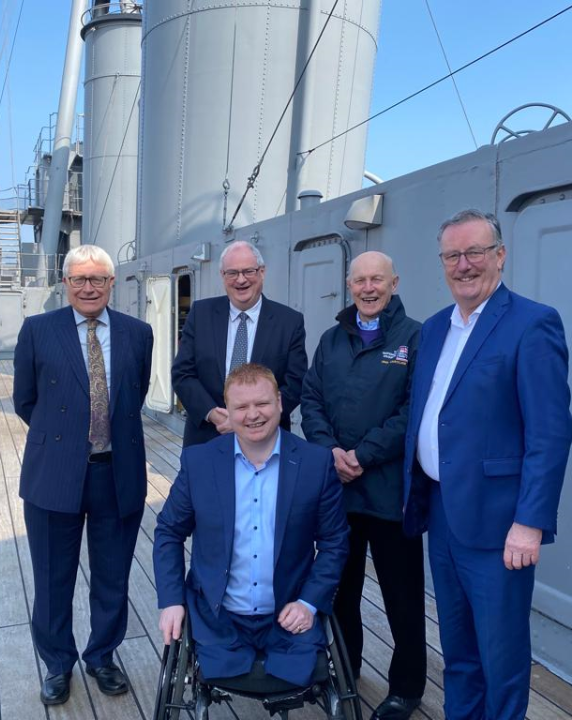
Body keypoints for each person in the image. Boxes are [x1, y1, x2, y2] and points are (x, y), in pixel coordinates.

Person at [403, 210, 572, 720]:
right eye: (452, 255)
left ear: (499, 255)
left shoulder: (531, 323)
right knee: (458, 649)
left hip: (500, 524)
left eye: (475, 251)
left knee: (500, 655)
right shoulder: (434, 329)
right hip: (443, 512)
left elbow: (550, 433)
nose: (464, 264)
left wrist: (530, 523)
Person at [13, 244, 154, 706]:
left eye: (98, 279)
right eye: (79, 279)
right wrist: (67, 437)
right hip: (55, 472)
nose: (89, 287)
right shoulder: (37, 330)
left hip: (118, 472)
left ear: (112, 284)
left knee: (113, 575)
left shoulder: (139, 333)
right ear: (66, 283)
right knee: (53, 576)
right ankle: (57, 664)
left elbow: (133, 394)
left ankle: (102, 656)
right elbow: (25, 401)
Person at [154, 363, 349, 687]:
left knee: (300, 673)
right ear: (227, 411)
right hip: (218, 619)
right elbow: (169, 532)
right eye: (241, 407)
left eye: (262, 403)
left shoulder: (315, 464)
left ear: (280, 403)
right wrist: (171, 600)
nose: (253, 414)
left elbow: (334, 542)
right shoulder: (199, 462)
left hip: (290, 616)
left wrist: (309, 602)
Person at [301, 251, 426, 720]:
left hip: (390, 491)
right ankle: (345, 668)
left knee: (402, 594)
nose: (368, 288)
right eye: (360, 280)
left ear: (394, 283)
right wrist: (329, 449)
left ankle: (408, 686)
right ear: (349, 285)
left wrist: (363, 454)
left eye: (377, 280)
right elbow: (311, 399)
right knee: (341, 589)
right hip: (337, 490)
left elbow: (413, 409)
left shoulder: (415, 338)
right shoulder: (332, 339)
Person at [172, 240, 307, 447]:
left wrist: (247, 419)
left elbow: (295, 383)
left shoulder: (289, 322)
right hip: (208, 436)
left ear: (262, 272)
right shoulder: (200, 314)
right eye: (232, 273)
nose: (241, 280)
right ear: (222, 276)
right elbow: (183, 373)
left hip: (266, 440)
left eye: (248, 271)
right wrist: (214, 414)